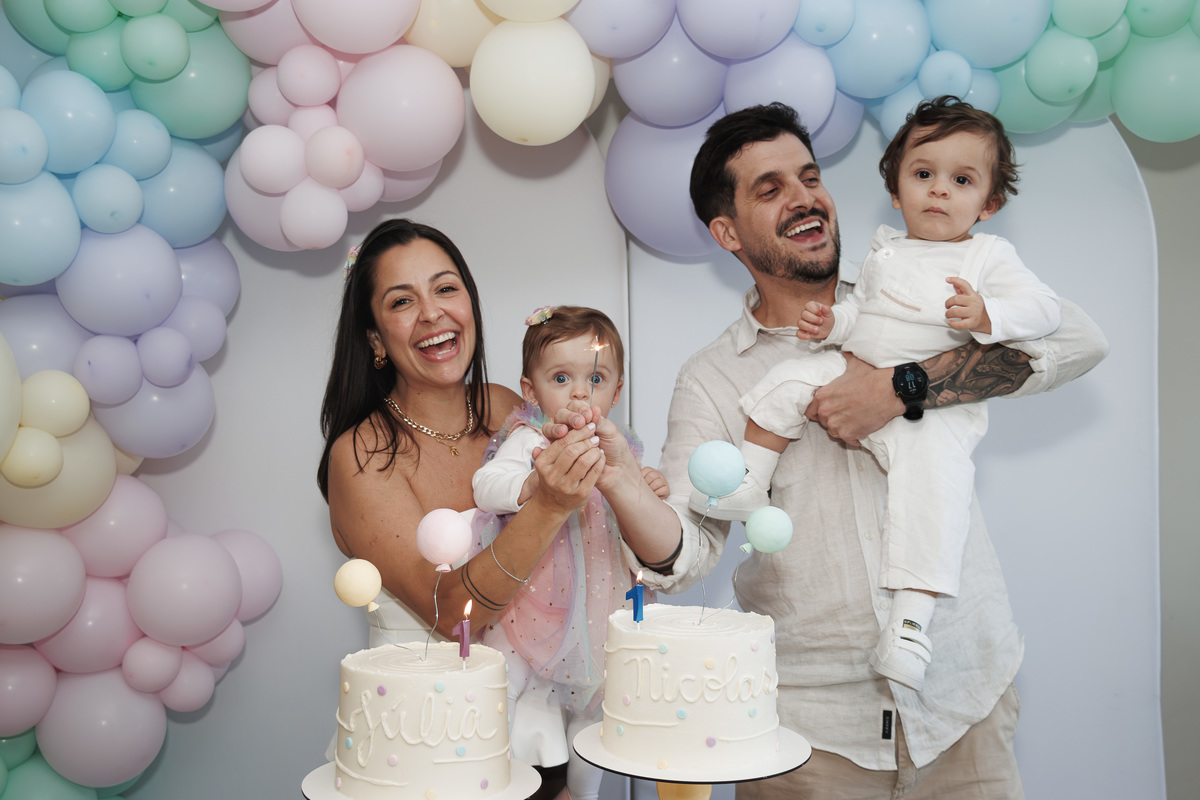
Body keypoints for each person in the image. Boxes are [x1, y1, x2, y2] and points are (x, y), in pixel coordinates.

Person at [626, 103, 1108, 799]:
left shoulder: (920, 287)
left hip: (961, 704)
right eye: (770, 189)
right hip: (809, 740)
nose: (805, 198)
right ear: (726, 232)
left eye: (810, 176)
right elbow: (686, 553)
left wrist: (900, 387)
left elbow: (1080, 341)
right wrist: (621, 485)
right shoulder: (711, 378)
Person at [700, 97, 1062, 693]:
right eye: (923, 174)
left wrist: (986, 318)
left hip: (932, 423)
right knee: (785, 383)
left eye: (962, 180)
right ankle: (748, 478)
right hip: (816, 703)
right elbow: (862, 314)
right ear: (895, 190)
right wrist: (833, 325)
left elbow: (1057, 320)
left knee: (932, 492)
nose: (939, 190)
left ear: (989, 203)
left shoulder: (987, 257)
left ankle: (912, 624)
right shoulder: (885, 253)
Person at [316, 220, 680, 800]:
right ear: (376, 339)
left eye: (445, 288)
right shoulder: (362, 454)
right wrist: (549, 503)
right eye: (402, 301)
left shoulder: (511, 409)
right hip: (426, 746)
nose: (432, 313)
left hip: (536, 735)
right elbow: (451, 614)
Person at [472, 305, 669, 800]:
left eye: (595, 379)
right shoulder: (529, 440)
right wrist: (529, 485)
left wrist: (645, 487)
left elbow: (633, 514)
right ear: (531, 390)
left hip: (601, 596)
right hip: (534, 596)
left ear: (616, 392)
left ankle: (580, 793)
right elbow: (486, 486)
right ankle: (487, 777)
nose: (580, 393)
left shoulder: (619, 445)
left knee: (597, 706)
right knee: (501, 684)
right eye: (561, 378)